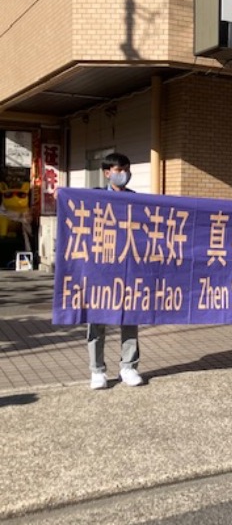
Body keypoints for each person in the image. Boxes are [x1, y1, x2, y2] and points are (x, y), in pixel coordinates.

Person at [88, 153, 143, 389]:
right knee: (96, 320)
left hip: (129, 267)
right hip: (100, 268)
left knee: (129, 318)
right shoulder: (94, 199)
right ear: (107, 172)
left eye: (127, 170)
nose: (124, 175)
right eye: (120, 170)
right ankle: (97, 370)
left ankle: (128, 367)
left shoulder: (137, 200)